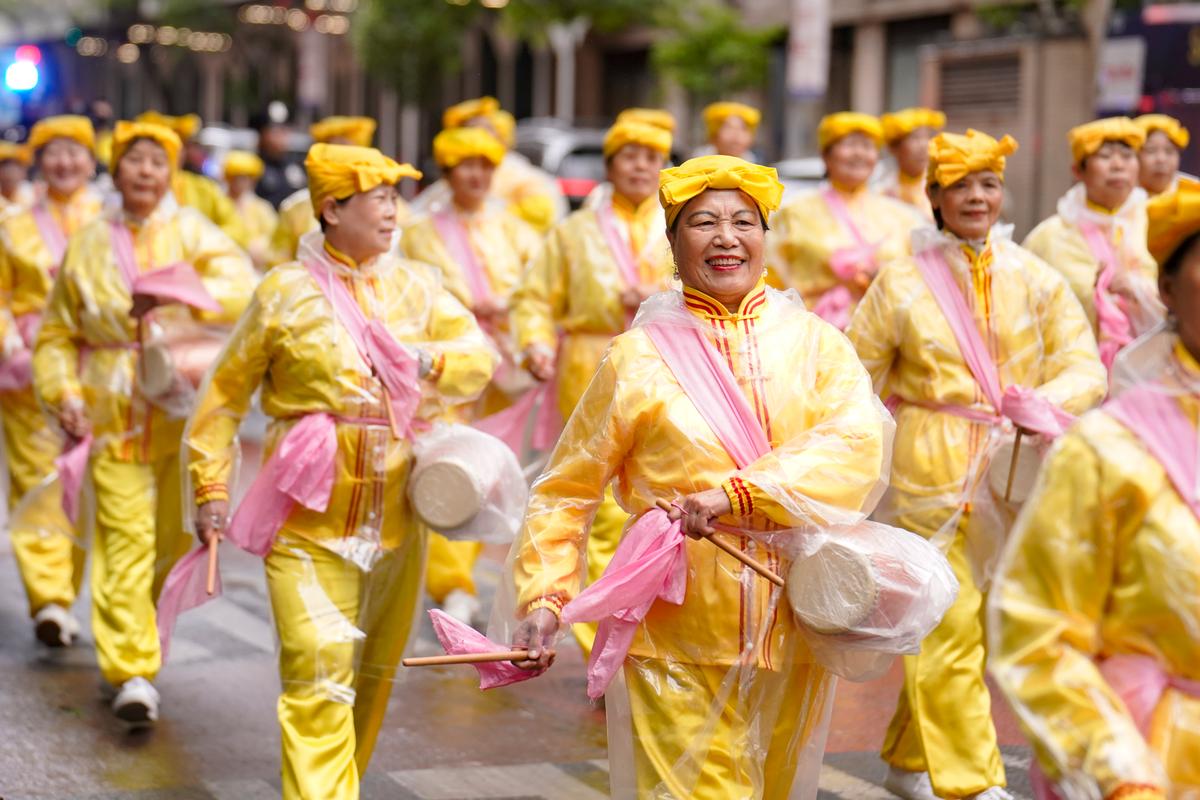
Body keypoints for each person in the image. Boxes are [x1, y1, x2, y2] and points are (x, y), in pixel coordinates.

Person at [507, 154, 892, 797]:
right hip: (674, 625)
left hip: (793, 618)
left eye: (744, 221)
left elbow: (856, 446)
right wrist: (546, 596)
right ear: (672, 240)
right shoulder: (636, 358)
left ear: (766, 237)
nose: (725, 237)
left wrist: (740, 493)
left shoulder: (817, 344)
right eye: (703, 222)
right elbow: (567, 489)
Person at [184, 142, 494, 799]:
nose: (392, 212)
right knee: (318, 674)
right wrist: (211, 488)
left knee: (372, 678)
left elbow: (478, 357)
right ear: (331, 208)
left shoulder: (418, 286)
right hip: (306, 528)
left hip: (400, 524)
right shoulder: (282, 295)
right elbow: (220, 399)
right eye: (377, 198)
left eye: (394, 197)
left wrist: (426, 361)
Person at [846, 129, 1108, 800]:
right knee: (947, 617)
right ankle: (971, 782)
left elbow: (1085, 365)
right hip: (927, 474)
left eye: (987, 184)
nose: (976, 197)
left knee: (981, 625)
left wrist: (1042, 402)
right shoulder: (899, 282)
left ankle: (908, 760)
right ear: (933, 196)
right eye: (959, 185)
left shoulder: (1035, 276)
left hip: (1017, 469)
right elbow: (852, 380)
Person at [31, 120, 257, 724]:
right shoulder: (87, 242)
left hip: (184, 417)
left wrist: (173, 294)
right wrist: (63, 391)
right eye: (135, 160)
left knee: (167, 543)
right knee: (125, 540)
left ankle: (142, 643)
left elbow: (243, 290)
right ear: (116, 168)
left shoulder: (193, 231)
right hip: (112, 417)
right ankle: (130, 666)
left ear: (173, 171)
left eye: (158, 162)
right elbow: (57, 333)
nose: (146, 172)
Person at [989, 218, 1200, 798]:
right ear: (1167, 286)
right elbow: (1039, 632)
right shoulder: (1107, 450)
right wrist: (1118, 774)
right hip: (1157, 762)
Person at [511, 117, 675, 655]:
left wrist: (654, 295)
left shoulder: (680, 225)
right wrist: (535, 343)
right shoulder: (574, 231)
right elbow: (535, 297)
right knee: (596, 497)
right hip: (589, 363)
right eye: (629, 156)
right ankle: (602, 639)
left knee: (652, 495)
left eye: (651, 158)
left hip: (664, 363)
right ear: (609, 164)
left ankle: (632, 627)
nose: (640, 167)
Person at [401, 126, 542, 625]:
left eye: (486, 166)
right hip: (450, 366)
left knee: (491, 470)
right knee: (450, 465)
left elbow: (534, 297)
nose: (478, 176)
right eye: (467, 166)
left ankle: (465, 572)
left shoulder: (516, 230)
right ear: (447, 172)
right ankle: (451, 580)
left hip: (505, 370)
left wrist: (521, 333)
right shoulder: (418, 233)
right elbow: (408, 299)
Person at [0, 115, 104, 647]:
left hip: (100, 374)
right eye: (53, 152)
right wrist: (9, 338)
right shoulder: (12, 224)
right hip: (27, 374)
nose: (65, 162)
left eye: (75, 152)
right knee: (38, 479)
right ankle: (50, 598)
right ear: (38, 163)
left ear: (91, 161)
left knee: (87, 484)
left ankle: (69, 586)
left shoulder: (111, 221)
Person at [1023, 117, 1161, 369]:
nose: (1118, 165)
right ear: (1078, 170)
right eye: (1105, 156)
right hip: (1072, 373)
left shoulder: (1162, 223)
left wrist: (1139, 290)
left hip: (1157, 373)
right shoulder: (1047, 238)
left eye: (1127, 156)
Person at [767, 112, 923, 328]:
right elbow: (769, 278)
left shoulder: (903, 216)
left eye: (867, 146)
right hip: (812, 334)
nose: (859, 153)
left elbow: (919, 280)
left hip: (886, 333)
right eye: (849, 144)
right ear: (826, 155)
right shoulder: (792, 213)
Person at [409, 97, 567, 233]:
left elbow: (542, 212)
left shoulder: (517, 172)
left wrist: (493, 220)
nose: (478, 174)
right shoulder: (447, 183)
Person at [268, 116, 409, 265]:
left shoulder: (404, 282)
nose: (390, 213)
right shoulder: (295, 209)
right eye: (333, 152)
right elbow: (276, 259)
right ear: (331, 210)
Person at [135, 111, 250, 249]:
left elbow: (237, 230)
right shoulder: (132, 189)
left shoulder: (204, 189)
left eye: (176, 145)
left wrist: (199, 241)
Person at [881, 107, 947, 220]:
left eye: (927, 137)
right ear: (894, 148)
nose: (923, 146)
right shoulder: (881, 188)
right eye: (915, 138)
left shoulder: (943, 186)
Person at [223, 150, 278, 269]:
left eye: (245, 178)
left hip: (255, 267)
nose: (240, 182)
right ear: (228, 178)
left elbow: (274, 238)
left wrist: (258, 247)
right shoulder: (219, 204)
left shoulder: (262, 208)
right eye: (236, 177)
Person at [252, 105, 306, 209]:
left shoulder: (297, 165)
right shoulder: (254, 166)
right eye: (274, 131)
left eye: (284, 130)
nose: (281, 136)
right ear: (262, 134)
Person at [1136, 113, 1192, 197]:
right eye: (1151, 150)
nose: (1161, 159)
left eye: (1169, 151)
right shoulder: (1121, 196)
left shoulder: (1193, 193)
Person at [0, 141, 34, 215]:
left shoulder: (33, 197)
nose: (9, 173)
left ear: (24, 171)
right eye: (4, 166)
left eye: (16, 167)